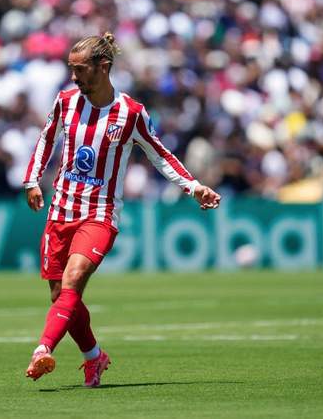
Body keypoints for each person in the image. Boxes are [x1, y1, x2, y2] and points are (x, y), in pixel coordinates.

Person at [22, 32, 221, 387]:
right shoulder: (66, 102)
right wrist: (32, 180)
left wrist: (193, 187)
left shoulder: (131, 113)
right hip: (60, 211)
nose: (73, 77)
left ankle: (42, 349)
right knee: (60, 296)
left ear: (103, 67)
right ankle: (94, 357)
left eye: (80, 69)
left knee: (73, 280)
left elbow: (160, 154)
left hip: (99, 214)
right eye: (71, 69)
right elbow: (46, 138)